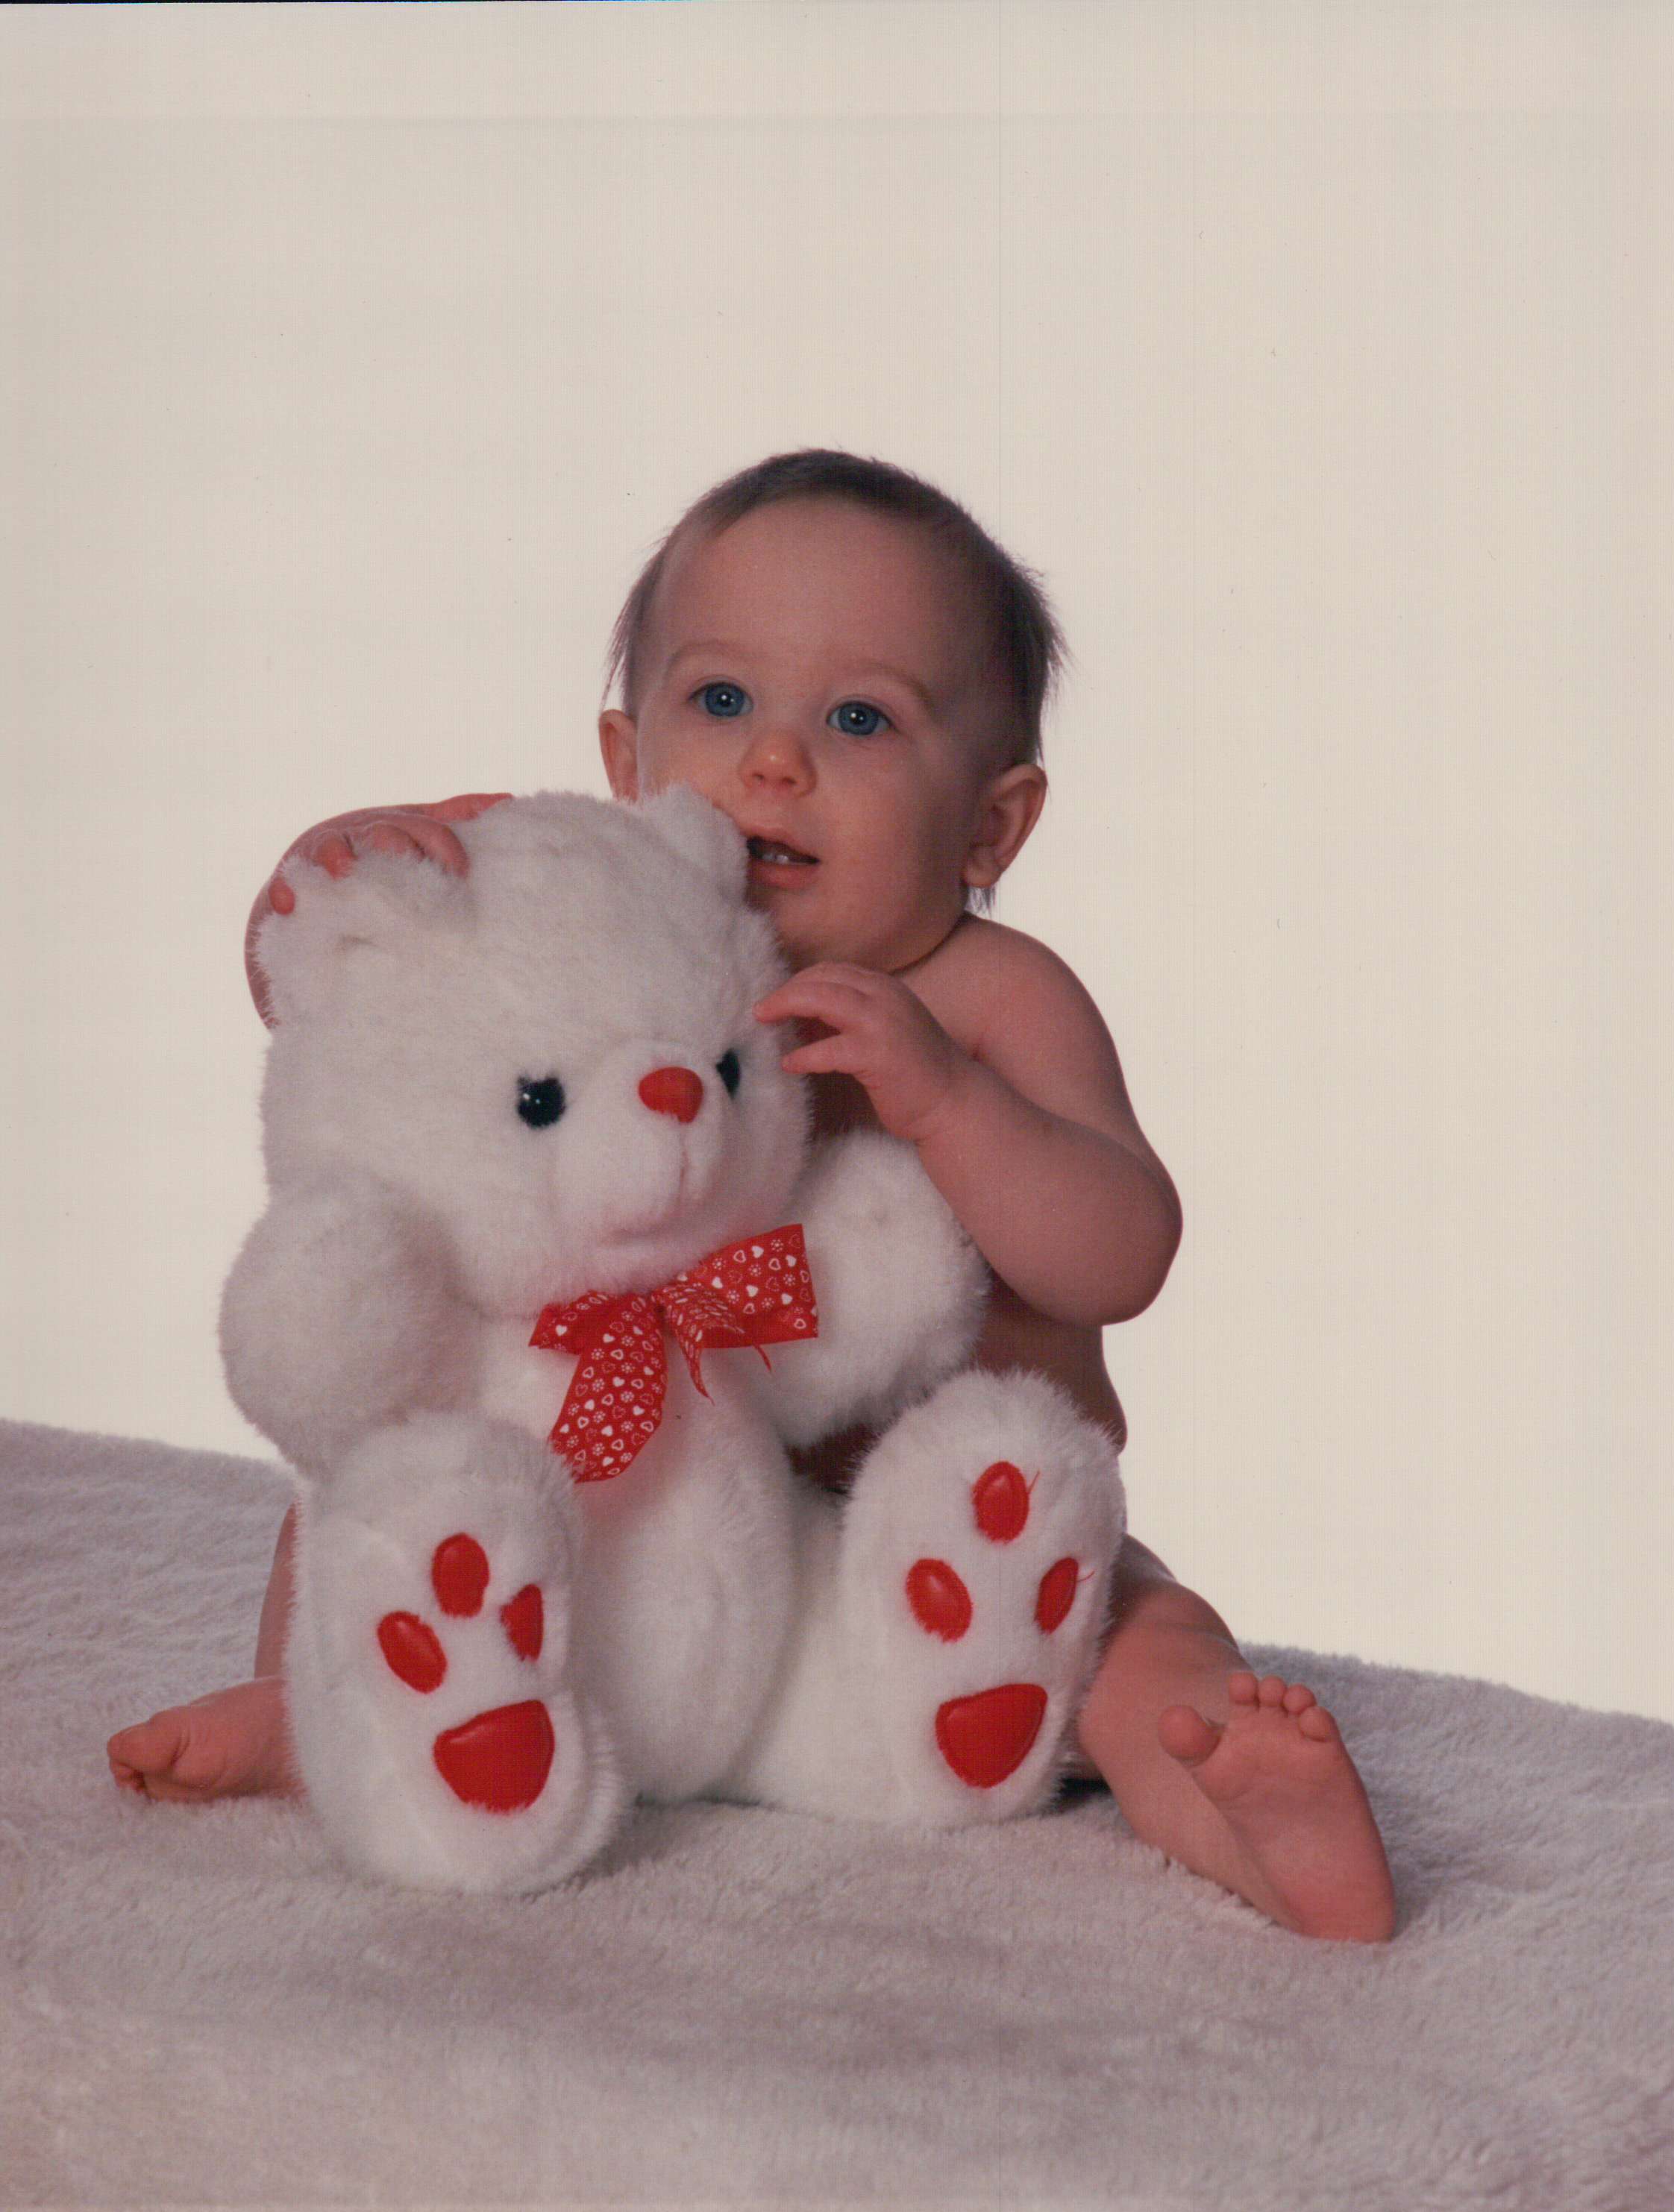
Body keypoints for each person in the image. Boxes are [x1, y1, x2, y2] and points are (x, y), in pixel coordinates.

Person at [110, 450, 1396, 1942]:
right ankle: (322, 1707)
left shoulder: (993, 1000)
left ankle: (1240, 1810)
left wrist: (950, 1104)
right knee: (391, 1491)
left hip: (912, 1543)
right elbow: (343, 1009)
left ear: (991, 827)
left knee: (1140, 1640)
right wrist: (339, 863)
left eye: (860, 719)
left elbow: (1121, 1253)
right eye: (722, 699)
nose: (776, 760)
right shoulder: (600, 932)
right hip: (625, 1507)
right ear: (625, 761)